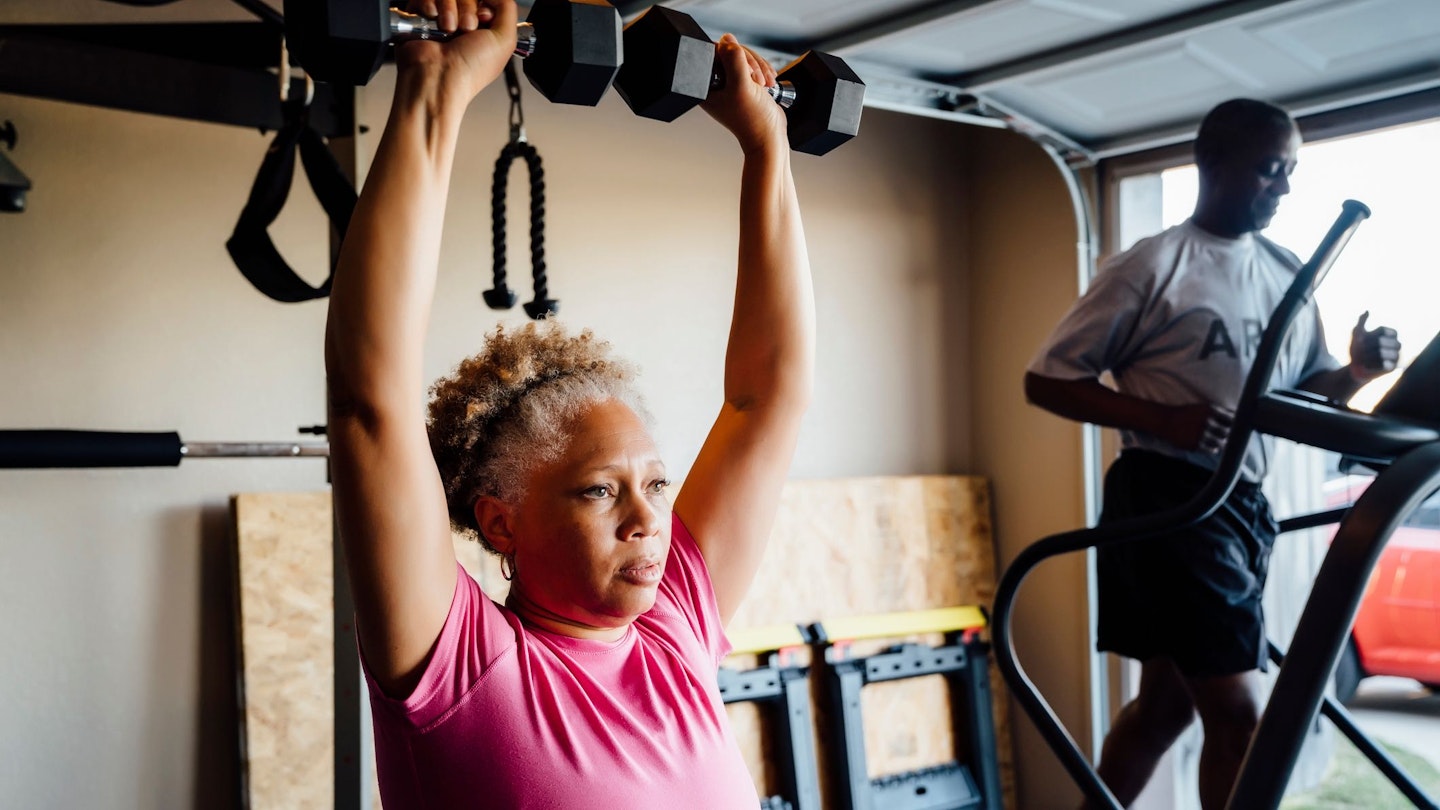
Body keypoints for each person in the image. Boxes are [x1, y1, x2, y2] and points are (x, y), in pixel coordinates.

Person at [322, 1, 814, 806]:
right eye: (598, 490)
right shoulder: (463, 667)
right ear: (500, 521)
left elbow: (769, 399)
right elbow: (369, 406)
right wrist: (436, 95)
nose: (647, 518)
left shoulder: (673, 631)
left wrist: (769, 148)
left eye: (654, 485)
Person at [1024, 98, 1400, 809]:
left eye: (1289, 173)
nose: (1282, 188)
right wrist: (1162, 419)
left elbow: (1300, 393)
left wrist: (1354, 373)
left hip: (1240, 504)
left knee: (1166, 709)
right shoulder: (1154, 265)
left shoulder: (1289, 270)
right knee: (1237, 716)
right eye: (1267, 170)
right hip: (1170, 496)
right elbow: (1046, 380)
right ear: (1212, 162)